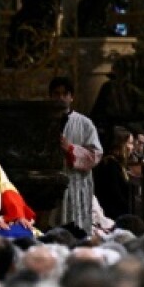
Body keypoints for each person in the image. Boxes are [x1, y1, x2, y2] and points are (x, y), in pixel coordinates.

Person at [48, 76, 103, 233]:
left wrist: (71, 149)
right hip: (52, 183)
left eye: (65, 94)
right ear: (50, 96)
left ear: (71, 97)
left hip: (76, 182)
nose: (60, 98)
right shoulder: (44, 121)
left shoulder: (84, 123)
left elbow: (95, 155)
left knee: (77, 228)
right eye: (56, 94)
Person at [93, 126, 135, 220]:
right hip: (113, 217)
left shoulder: (116, 164)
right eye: (130, 143)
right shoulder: (110, 165)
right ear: (120, 144)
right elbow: (115, 196)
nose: (132, 147)